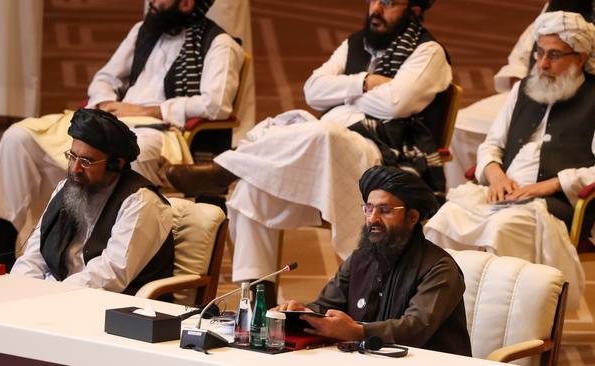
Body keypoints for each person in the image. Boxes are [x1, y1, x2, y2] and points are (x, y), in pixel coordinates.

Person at [166, 0, 452, 306]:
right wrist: (364, 82)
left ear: (415, 9)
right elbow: (313, 90)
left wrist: (342, 96)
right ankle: (259, 304)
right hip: (320, 156)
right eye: (373, 0)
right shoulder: (356, 43)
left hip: (379, 154)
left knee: (322, 131)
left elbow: (396, 103)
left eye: (389, 3)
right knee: (253, 190)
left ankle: (226, 169)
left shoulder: (428, 52)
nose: (376, 10)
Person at [0, 0, 244, 269]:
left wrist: (150, 110)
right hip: (112, 121)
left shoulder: (220, 44)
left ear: (187, 3)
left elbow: (216, 104)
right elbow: (105, 78)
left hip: (160, 130)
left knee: (140, 150)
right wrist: (105, 105)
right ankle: (4, 249)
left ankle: (108, 247)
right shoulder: (142, 31)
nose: (152, 2)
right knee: (20, 136)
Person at [424, 11, 595, 308]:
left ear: (580, 57)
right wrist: (494, 173)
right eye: (540, 52)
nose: (542, 64)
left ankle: (498, 318)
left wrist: (548, 186)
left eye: (554, 55)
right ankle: (446, 312)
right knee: (443, 220)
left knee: (500, 229)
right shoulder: (525, 89)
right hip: (503, 194)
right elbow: (491, 145)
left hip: (555, 207)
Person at [275, 166, 472, 355]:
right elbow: (325, 306)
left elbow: (415, 329)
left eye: (385, 210)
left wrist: (357, 332)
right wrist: (300, 313)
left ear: (412, 217)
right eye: (368, 209)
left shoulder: (439, 268)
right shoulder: (359, 259)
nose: (373, 219)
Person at [446, 0, 595, 188]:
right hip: (535, 91)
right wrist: (526, 96)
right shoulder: (555, 6)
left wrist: (584, 93)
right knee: (459, 125)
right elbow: (520, 58)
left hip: (582, 101)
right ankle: (476, 189)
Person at [11, 108, 174, 295]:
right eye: (72, 156)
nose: (75, 168)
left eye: (86, 161)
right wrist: (20, 293)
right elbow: (33, 257)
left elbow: (111, 275)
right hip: (56, 296)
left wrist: (49, 296)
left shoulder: (141, 202)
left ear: (116, 164)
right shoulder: (67, 188)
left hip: (113, 308)